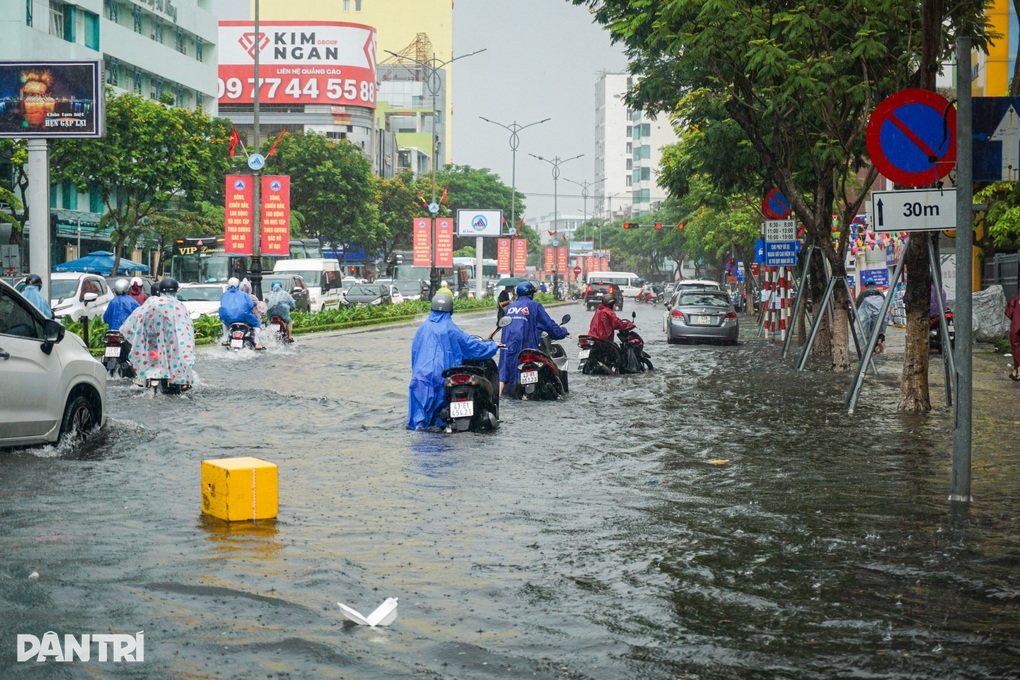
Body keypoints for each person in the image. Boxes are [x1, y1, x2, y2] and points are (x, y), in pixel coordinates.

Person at [407, 292, 502, 430]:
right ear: (450, 309)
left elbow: (415, 354)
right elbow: (471, 345)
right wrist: (493, 345)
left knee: (419, 420)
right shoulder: (450, 328)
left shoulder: (423, 328)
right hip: (442, 376)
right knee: (439, 415)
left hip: (421, 378)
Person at [119, 277, 196, 389]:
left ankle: (145, 377)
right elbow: (185, 328)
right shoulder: (177, 305)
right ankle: (180, 380)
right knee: (177, 358)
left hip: (151, 342)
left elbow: (134, 320)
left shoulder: (150, 303)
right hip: (170, 343)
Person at [498, 281, 569, 397]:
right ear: (531, 293)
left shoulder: (509, 308)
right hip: (527, 348)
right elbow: (549, 325)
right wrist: (562, 332)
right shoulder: (535, 306)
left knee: (504, 375)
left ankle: (501, 397)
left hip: (507, 349)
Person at [219, 277, 264, 350]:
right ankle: (257, 343)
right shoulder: (244, 295)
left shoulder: (224, 295)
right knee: (257, 324)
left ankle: (225, 340)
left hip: (228, 319)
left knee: (225, 323)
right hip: (244, 317)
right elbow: (251, 305)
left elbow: (222, 305)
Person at [855, 279, 887, 353]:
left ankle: (870, 349)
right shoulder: (880, 292)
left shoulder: (863, 292)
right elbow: (885, 303)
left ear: (866, 285)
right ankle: (879, 341)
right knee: (880, 330)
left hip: (868, 316)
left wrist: (855, 316)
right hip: (880, 316)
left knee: (868, 332)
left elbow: (858, 305)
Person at [1005, 287, 1020, 380]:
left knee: (1016, 348)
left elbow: (1008, 312)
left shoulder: (1015, 300)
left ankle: (1017, 370)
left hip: (1016, 326)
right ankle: (1015, 371)